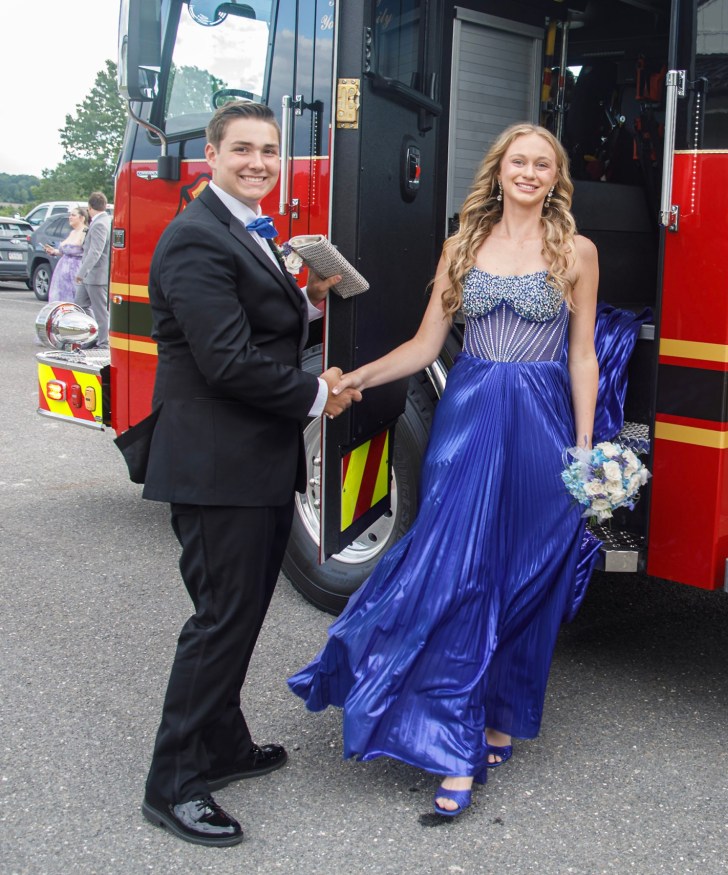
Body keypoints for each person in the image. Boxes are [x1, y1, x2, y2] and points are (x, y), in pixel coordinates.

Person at [288, 122, 601, 818]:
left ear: (555, 177)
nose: (529, 172)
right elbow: (427, 342)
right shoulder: (463, 245)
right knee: (455, 570)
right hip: (471, 414)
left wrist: (583, 446)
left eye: (542, 163)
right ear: (498, 170)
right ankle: (451, 744)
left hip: (544, 421)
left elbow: (583, 354)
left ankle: (499, 717)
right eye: (518, 160)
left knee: (530, 572)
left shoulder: (577, 251)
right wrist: (358, 378)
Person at [138, 101, 355, 847]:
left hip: (252, 461)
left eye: (270, 149)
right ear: (211, 154)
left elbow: (256, 327)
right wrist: (318, 392)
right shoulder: (196, 240)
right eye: (243, 150)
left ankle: (223, 743)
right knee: (220, 621)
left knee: (239, 616)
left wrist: (307, 299)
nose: (260, 161)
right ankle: (173, 783)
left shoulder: (245, 228)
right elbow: (226, 361)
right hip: (215, 467)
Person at [75, 192, 112, 347]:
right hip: (93, 276)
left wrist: (82, 272)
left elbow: (95, 251)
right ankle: (92, 335)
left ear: (90, 208)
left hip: (96, 276)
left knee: (101, 311)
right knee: (80, 305)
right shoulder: (107, 221)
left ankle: (103, 341)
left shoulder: (99, 224)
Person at [42, 206, 89, 303]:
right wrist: (54, 251)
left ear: (82, 218)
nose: (70, 217)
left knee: (75, 296)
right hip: (62, 269)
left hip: (76, 269)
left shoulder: (85, 232)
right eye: (70, 215)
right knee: (60, 296)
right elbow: (64, 251)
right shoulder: (72, 232)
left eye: (73, 215)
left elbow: (85, 251)